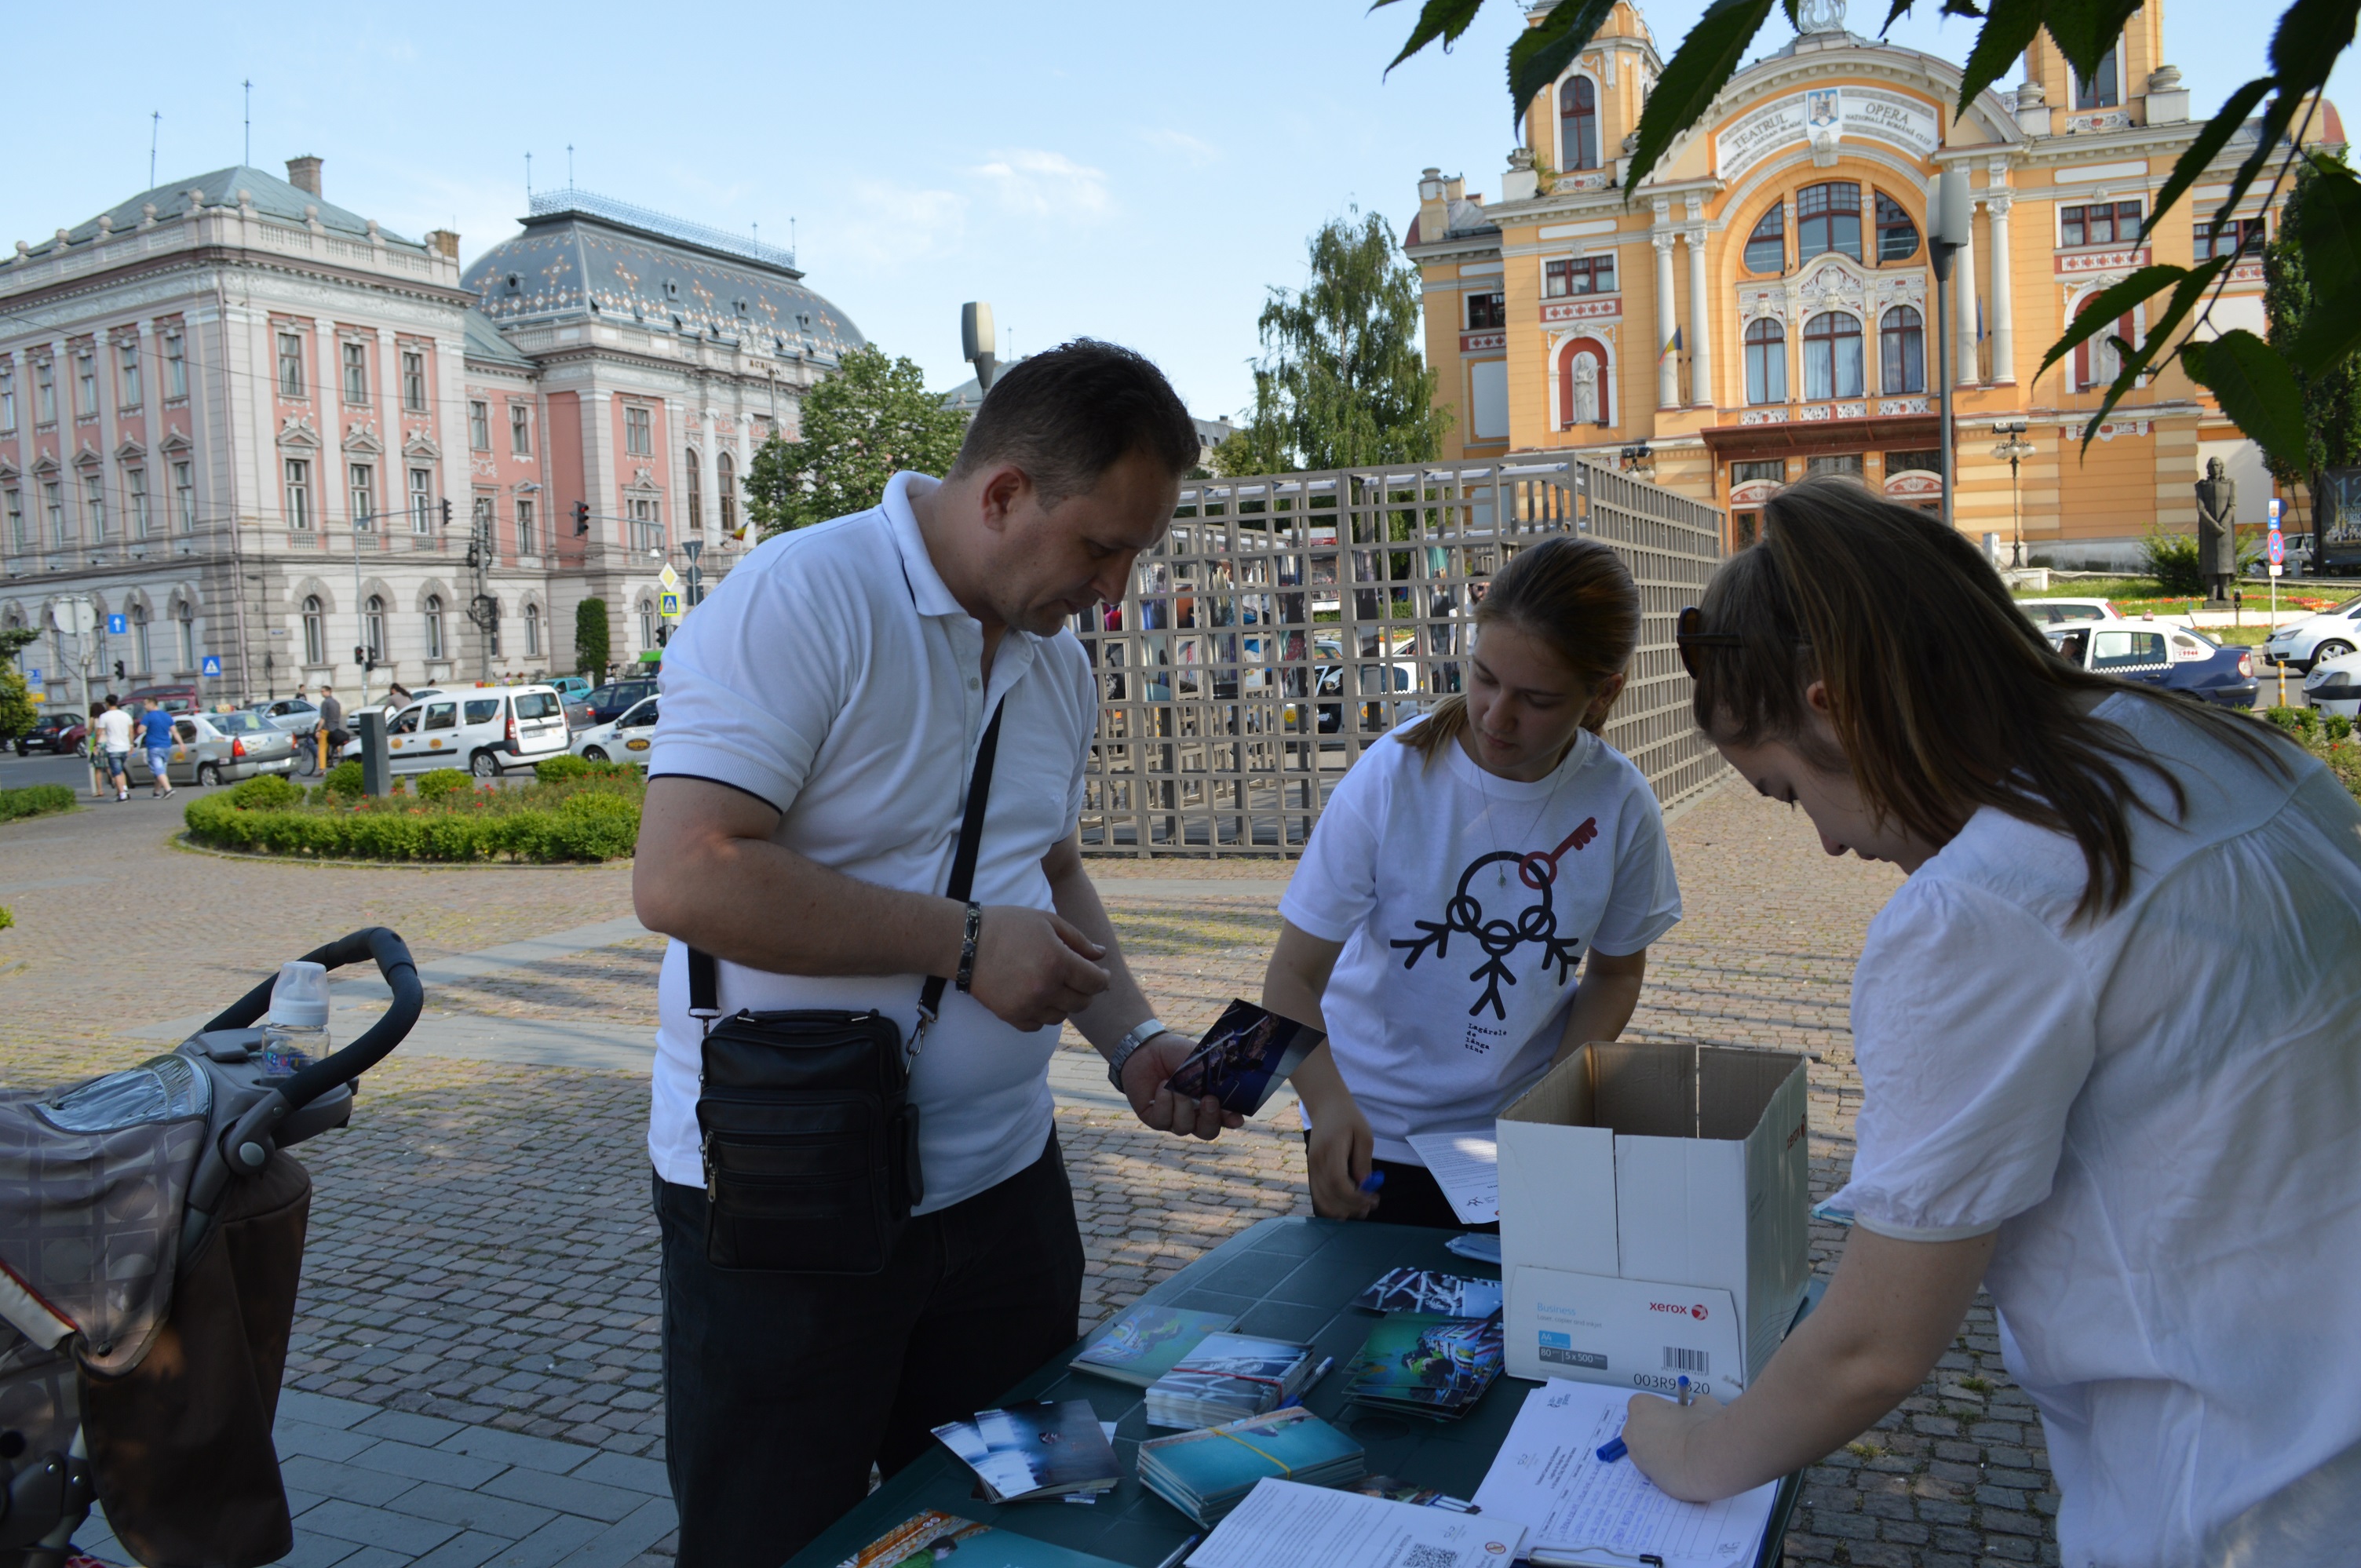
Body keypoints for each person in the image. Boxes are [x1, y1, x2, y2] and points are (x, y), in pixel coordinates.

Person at [1623, 476, 2361, 1565]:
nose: (1825, 844)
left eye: (1786, 792)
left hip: (2231, 1501)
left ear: (1839, 708)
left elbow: (1873, 1346)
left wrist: (1686, 1450)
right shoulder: (2213, 752)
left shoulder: (1982, 907)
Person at [631, 340, 1238, 1564]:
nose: (1117, 590)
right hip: (782, 1199)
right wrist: (963, 946)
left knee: (1011, 1534)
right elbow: (683, 871)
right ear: (1004, 493)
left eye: (1136, 554)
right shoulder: (804, 595)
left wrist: (1132, 1043)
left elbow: (1045, 867)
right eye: (1101, 546)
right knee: (773, 1540)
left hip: (1006, 1196)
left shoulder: (1057, 663)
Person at [1260, 537, 1680, 1228]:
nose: (1495, 715)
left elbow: (1614, 975)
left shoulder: (1621, 803)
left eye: (1536, 699)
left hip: (1512, 1138)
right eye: (1483, 677)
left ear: (1603, 692)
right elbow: (1291, 978)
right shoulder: (1392, 778)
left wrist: (1560, 1094)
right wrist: (1329, 1102)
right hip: (1371, 1129)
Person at [93, 695, 133, 803]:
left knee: (116, 772)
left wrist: (95, 745)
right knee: (121, 770)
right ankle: (125, 789)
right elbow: (131, 731)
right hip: (125, 746)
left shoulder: (105, 716)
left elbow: (99, 732)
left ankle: (122, 795)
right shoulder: (126, 715)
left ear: (107, 703)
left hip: (113, 747)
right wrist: (131, 744)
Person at [138, 700, 175, 799]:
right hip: (167, 746)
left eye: (145, 704)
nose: (144, 706)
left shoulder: (148, 716)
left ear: (152, 704)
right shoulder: (167, 716)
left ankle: (168, 789)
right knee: (161, 770)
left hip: (154, 746)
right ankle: (156, 792)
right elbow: (174, 731)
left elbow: (140, 730)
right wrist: (181, 743)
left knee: (158, 770)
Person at [82, 701, 107, 800]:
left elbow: (89, 732)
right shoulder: (106, 717)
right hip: (108, 743)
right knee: (110, 767)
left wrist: (87, 730)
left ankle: (100, 790)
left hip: (98, 744)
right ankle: (117, 786)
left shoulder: (93, 719)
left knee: (98, 768)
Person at [317, 685, 345, 772]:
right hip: (336, 728)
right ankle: (341, 762)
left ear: (328, 692)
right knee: (337, 746)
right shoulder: (336, 703)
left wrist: (318, 730)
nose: (321, 693)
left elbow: (323, 718)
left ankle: (322, 769)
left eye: (322, 691)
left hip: (327, 728)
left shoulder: (325, 703)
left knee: (322, 748)